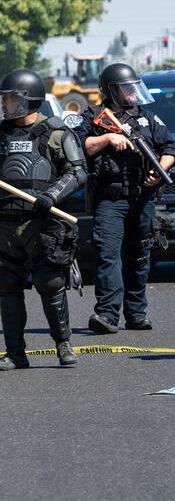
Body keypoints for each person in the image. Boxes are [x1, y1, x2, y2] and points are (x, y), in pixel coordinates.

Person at [74, 63, 175, 335]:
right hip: (110, 199)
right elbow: (77, 146)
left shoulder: (147, 118)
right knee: (108, 255)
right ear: (111, 90)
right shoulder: (93, 117)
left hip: (143, 197)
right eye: (126, 87)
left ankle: (136, 313)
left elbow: (171, 147)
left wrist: (160, 168)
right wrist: (107, 138)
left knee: (140, 255)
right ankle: (107, 314)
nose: (132, 92)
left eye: (134, 86)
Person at [0, 70, 87, 370]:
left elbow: (77, 172)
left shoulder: (55, 132)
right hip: (6, 225)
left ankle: (63, 344)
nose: (6, 105)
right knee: (6, 287)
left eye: (11, 99)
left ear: (29, 101)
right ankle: (14, 353)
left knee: (50, 284)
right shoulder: (1, 134)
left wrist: (52, 194)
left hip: (42, 222)